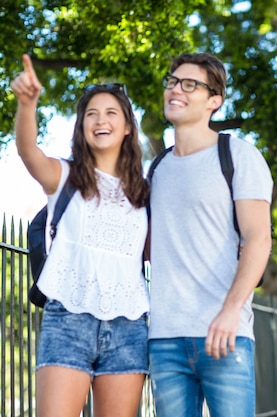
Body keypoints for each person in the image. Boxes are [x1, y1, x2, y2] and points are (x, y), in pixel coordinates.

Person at [11, 54, 150, 417]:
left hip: (128, 325)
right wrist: (28, 105)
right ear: (82, 127)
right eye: (91, 114)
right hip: (67, 319)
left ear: (127, 128)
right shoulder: (65, 177)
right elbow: (28, 152)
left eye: (110, 113)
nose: (100, 120)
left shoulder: (146, 192)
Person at [147, 52, 273, 417]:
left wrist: (231, 310)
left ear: (214, 101)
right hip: (165, 338)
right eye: (172, 81)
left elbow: (258, 239)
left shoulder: (237, 155)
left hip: (226, 334)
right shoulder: (156, 169)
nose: (176, 90)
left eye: (190, 84)